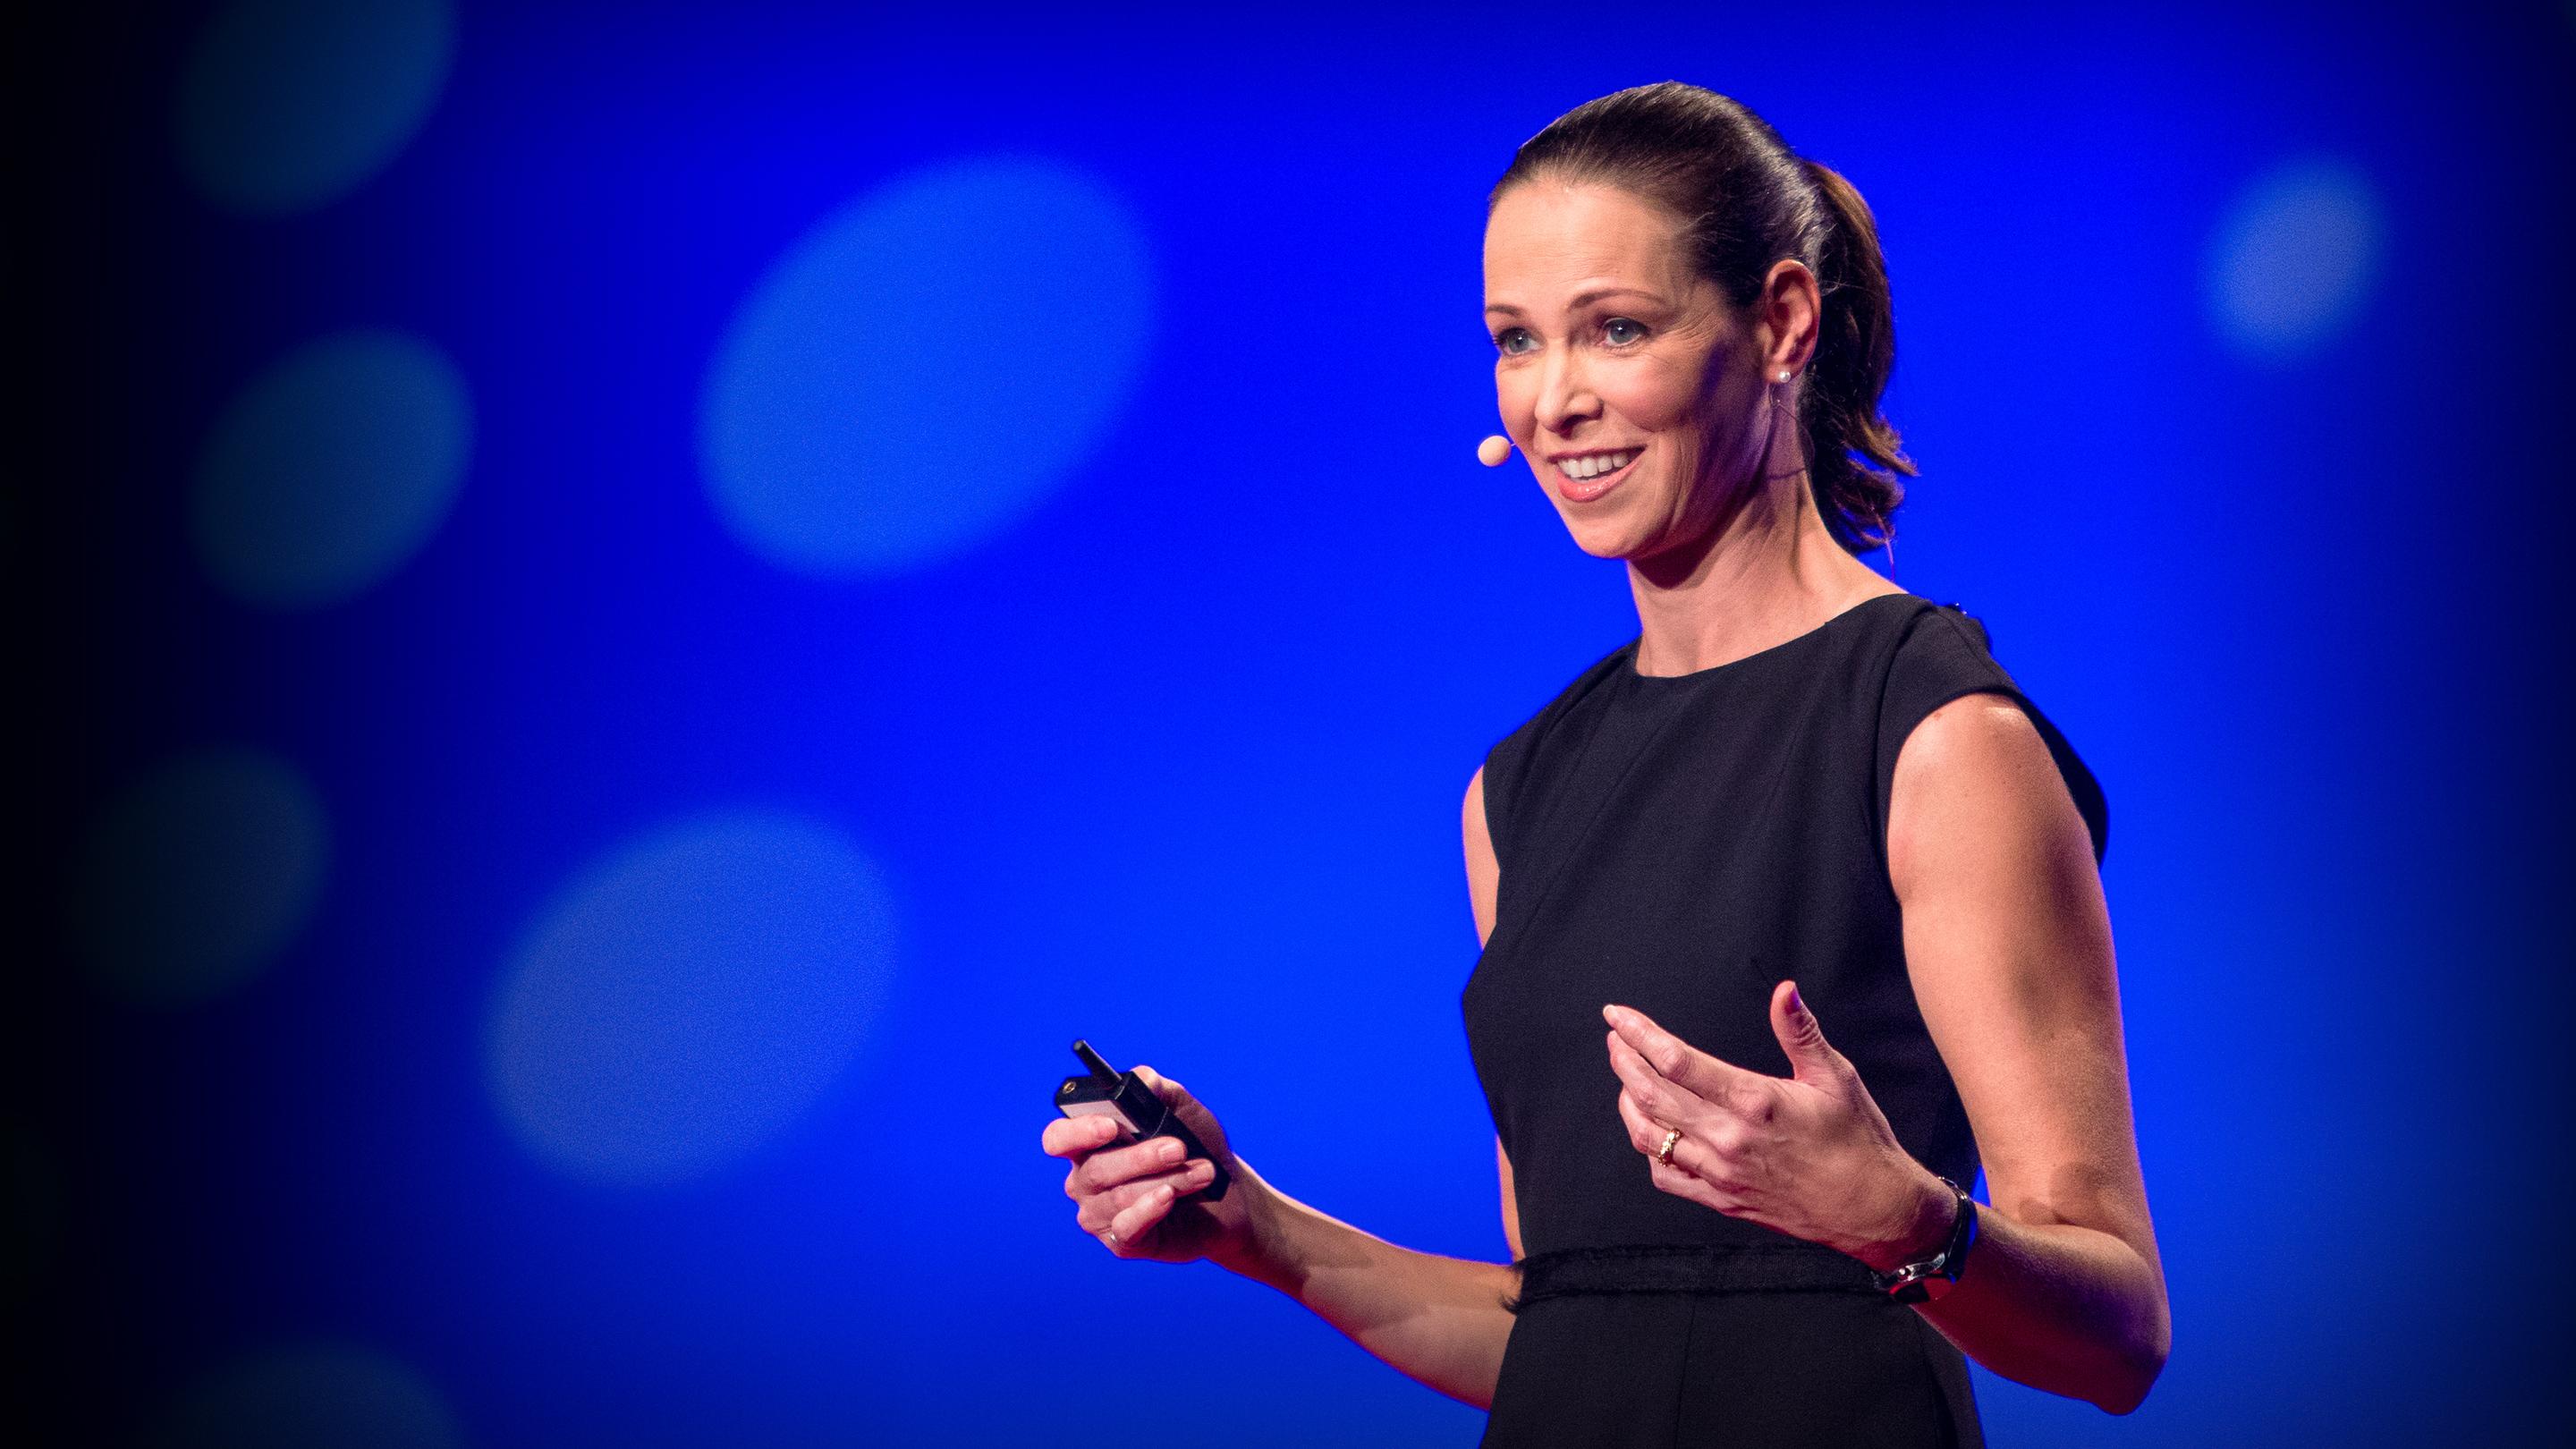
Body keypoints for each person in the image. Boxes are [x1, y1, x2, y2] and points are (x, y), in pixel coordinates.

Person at [1039, 81, 2167, 1446]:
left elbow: (2119, 1335)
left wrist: (1902, 1221)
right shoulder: (1516, 795)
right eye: (1516, 341)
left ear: (1782, 324)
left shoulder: (1935, 735)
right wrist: (1255, 1228)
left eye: (1616, 329)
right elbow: (1568, 1322)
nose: (1556, 401)